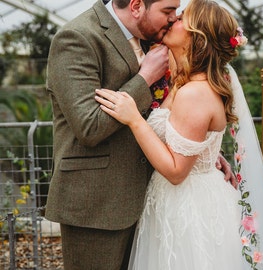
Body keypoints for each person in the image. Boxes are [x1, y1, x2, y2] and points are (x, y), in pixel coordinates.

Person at [95, 0, 263, 269]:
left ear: (196, 36)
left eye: (181, 18)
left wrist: (133, 119)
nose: (173, 19)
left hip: (189, 210)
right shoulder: (188, 83)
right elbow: (188, 140)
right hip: (178, 201)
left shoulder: (195, 93)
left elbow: (177, 171)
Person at [45, 0, 233, 269]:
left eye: (177, 14)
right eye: (168, 11)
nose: (172, 19)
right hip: (98, 204)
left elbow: (181, 113)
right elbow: (88, 126)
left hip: (155, 203)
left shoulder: (156, 39)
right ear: (136, 6)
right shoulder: (77, 38)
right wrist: (144, 78)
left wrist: (200, 150)